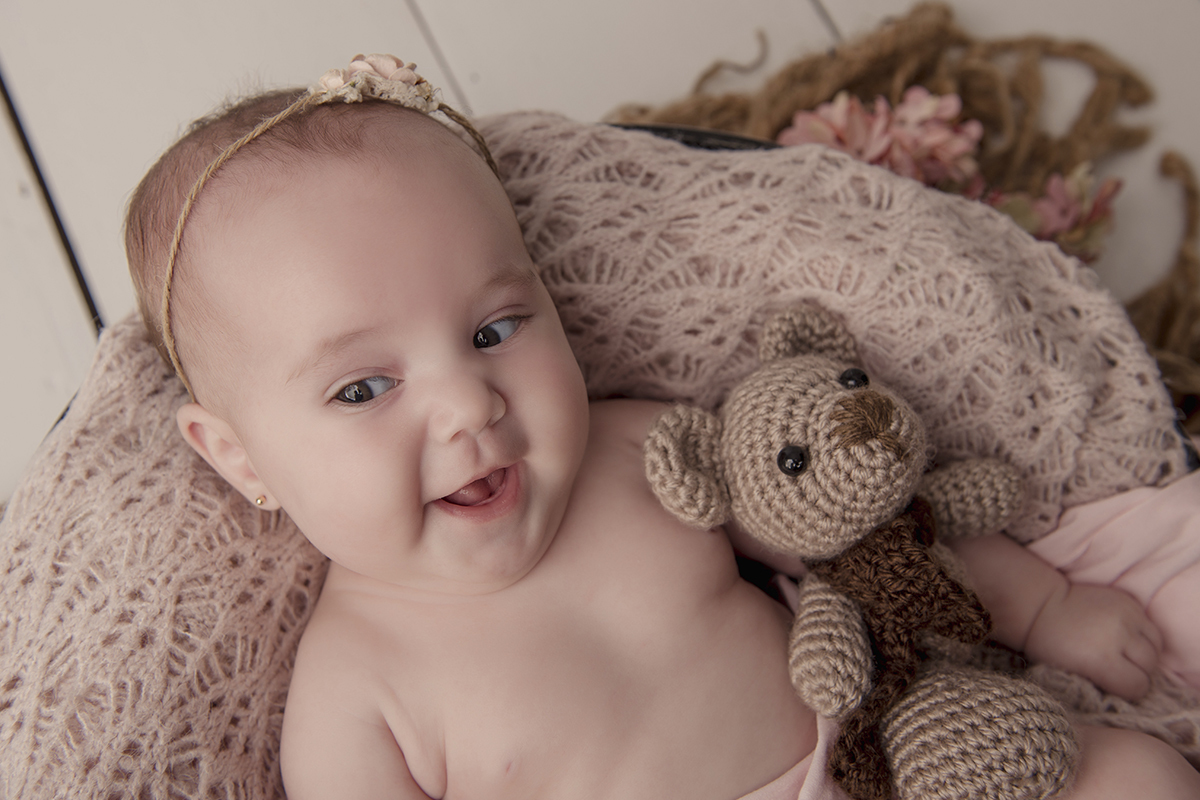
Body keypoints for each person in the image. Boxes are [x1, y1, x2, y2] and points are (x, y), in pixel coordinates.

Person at [123, 54, 1200, 799]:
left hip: (888, 762)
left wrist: (1043, 603)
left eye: (498, 326)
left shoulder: (647, 454)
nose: (469, 403)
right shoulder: (357, 694)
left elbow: (868, 534)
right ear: (240, 456)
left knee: (1140, 778)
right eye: (363, 388)